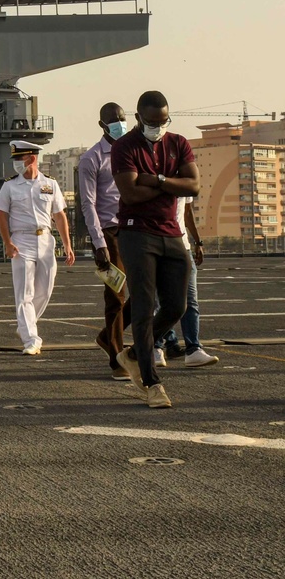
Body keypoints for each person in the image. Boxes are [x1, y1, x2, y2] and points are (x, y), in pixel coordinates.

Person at [112, 91, 199, 409]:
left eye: (163, 122)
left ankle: (133, 354)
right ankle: (152, 383)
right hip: (137, 233)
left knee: (176, 307)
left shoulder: (179, 142)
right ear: (138, 118)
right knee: (144, 308)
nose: (158, 127)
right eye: (152, 122)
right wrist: (171, 182)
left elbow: (194, 186)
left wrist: (157, 179)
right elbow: (131, 194)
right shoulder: (124, 147)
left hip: (172, 234)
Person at [0, 141, 75, 355]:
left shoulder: (50, 184)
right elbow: (2, 215)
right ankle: (31, 338)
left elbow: (59, 215)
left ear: (31, 158)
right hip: (21, 241)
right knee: (24, 293)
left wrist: (68, 245)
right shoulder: (9, 186)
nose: (16, 163)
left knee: (45, 290)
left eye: (19, 159)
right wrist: (8, 242)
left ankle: (25, 326)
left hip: (46, 239)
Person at [78, 103, 133, 379]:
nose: (120, 124)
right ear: (102, 125)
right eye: (114, 120)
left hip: (134, 228)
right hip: (108, 233)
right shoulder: (92, 158)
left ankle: (105, 336)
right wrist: (98, 243)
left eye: (123, 119)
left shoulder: (133, 151)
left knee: (148, 291)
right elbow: (88, 204)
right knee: (116, 296)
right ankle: (117, 358)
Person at [153, 198, 219, 368]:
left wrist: (198, 241)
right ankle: (156, 346)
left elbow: (187, 212)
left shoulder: (184, 174)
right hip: (157, 244)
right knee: (158, 302)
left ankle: (193, 349)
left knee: (190, 301)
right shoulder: (153, 174)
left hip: (183, 246)